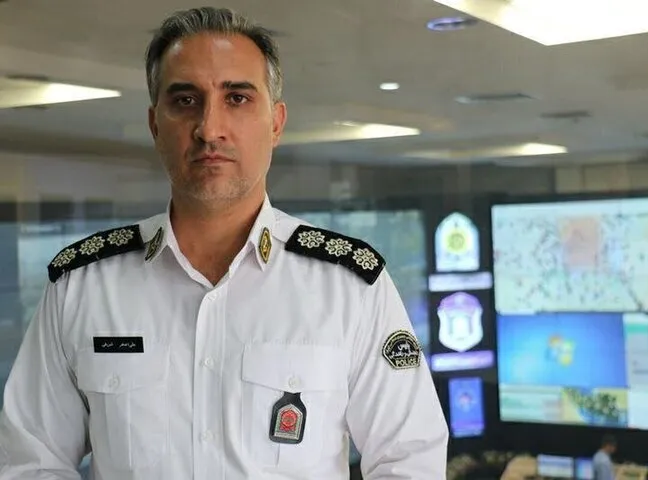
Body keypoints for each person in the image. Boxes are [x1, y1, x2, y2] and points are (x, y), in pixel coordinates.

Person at [0, 7, 448, 480]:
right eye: (185, 100)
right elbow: (31, 462)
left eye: (237, 98)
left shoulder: (349, 286)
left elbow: (408, 460)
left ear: (276, 123)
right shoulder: (83, 285)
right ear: (155, 125)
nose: (209, 128)